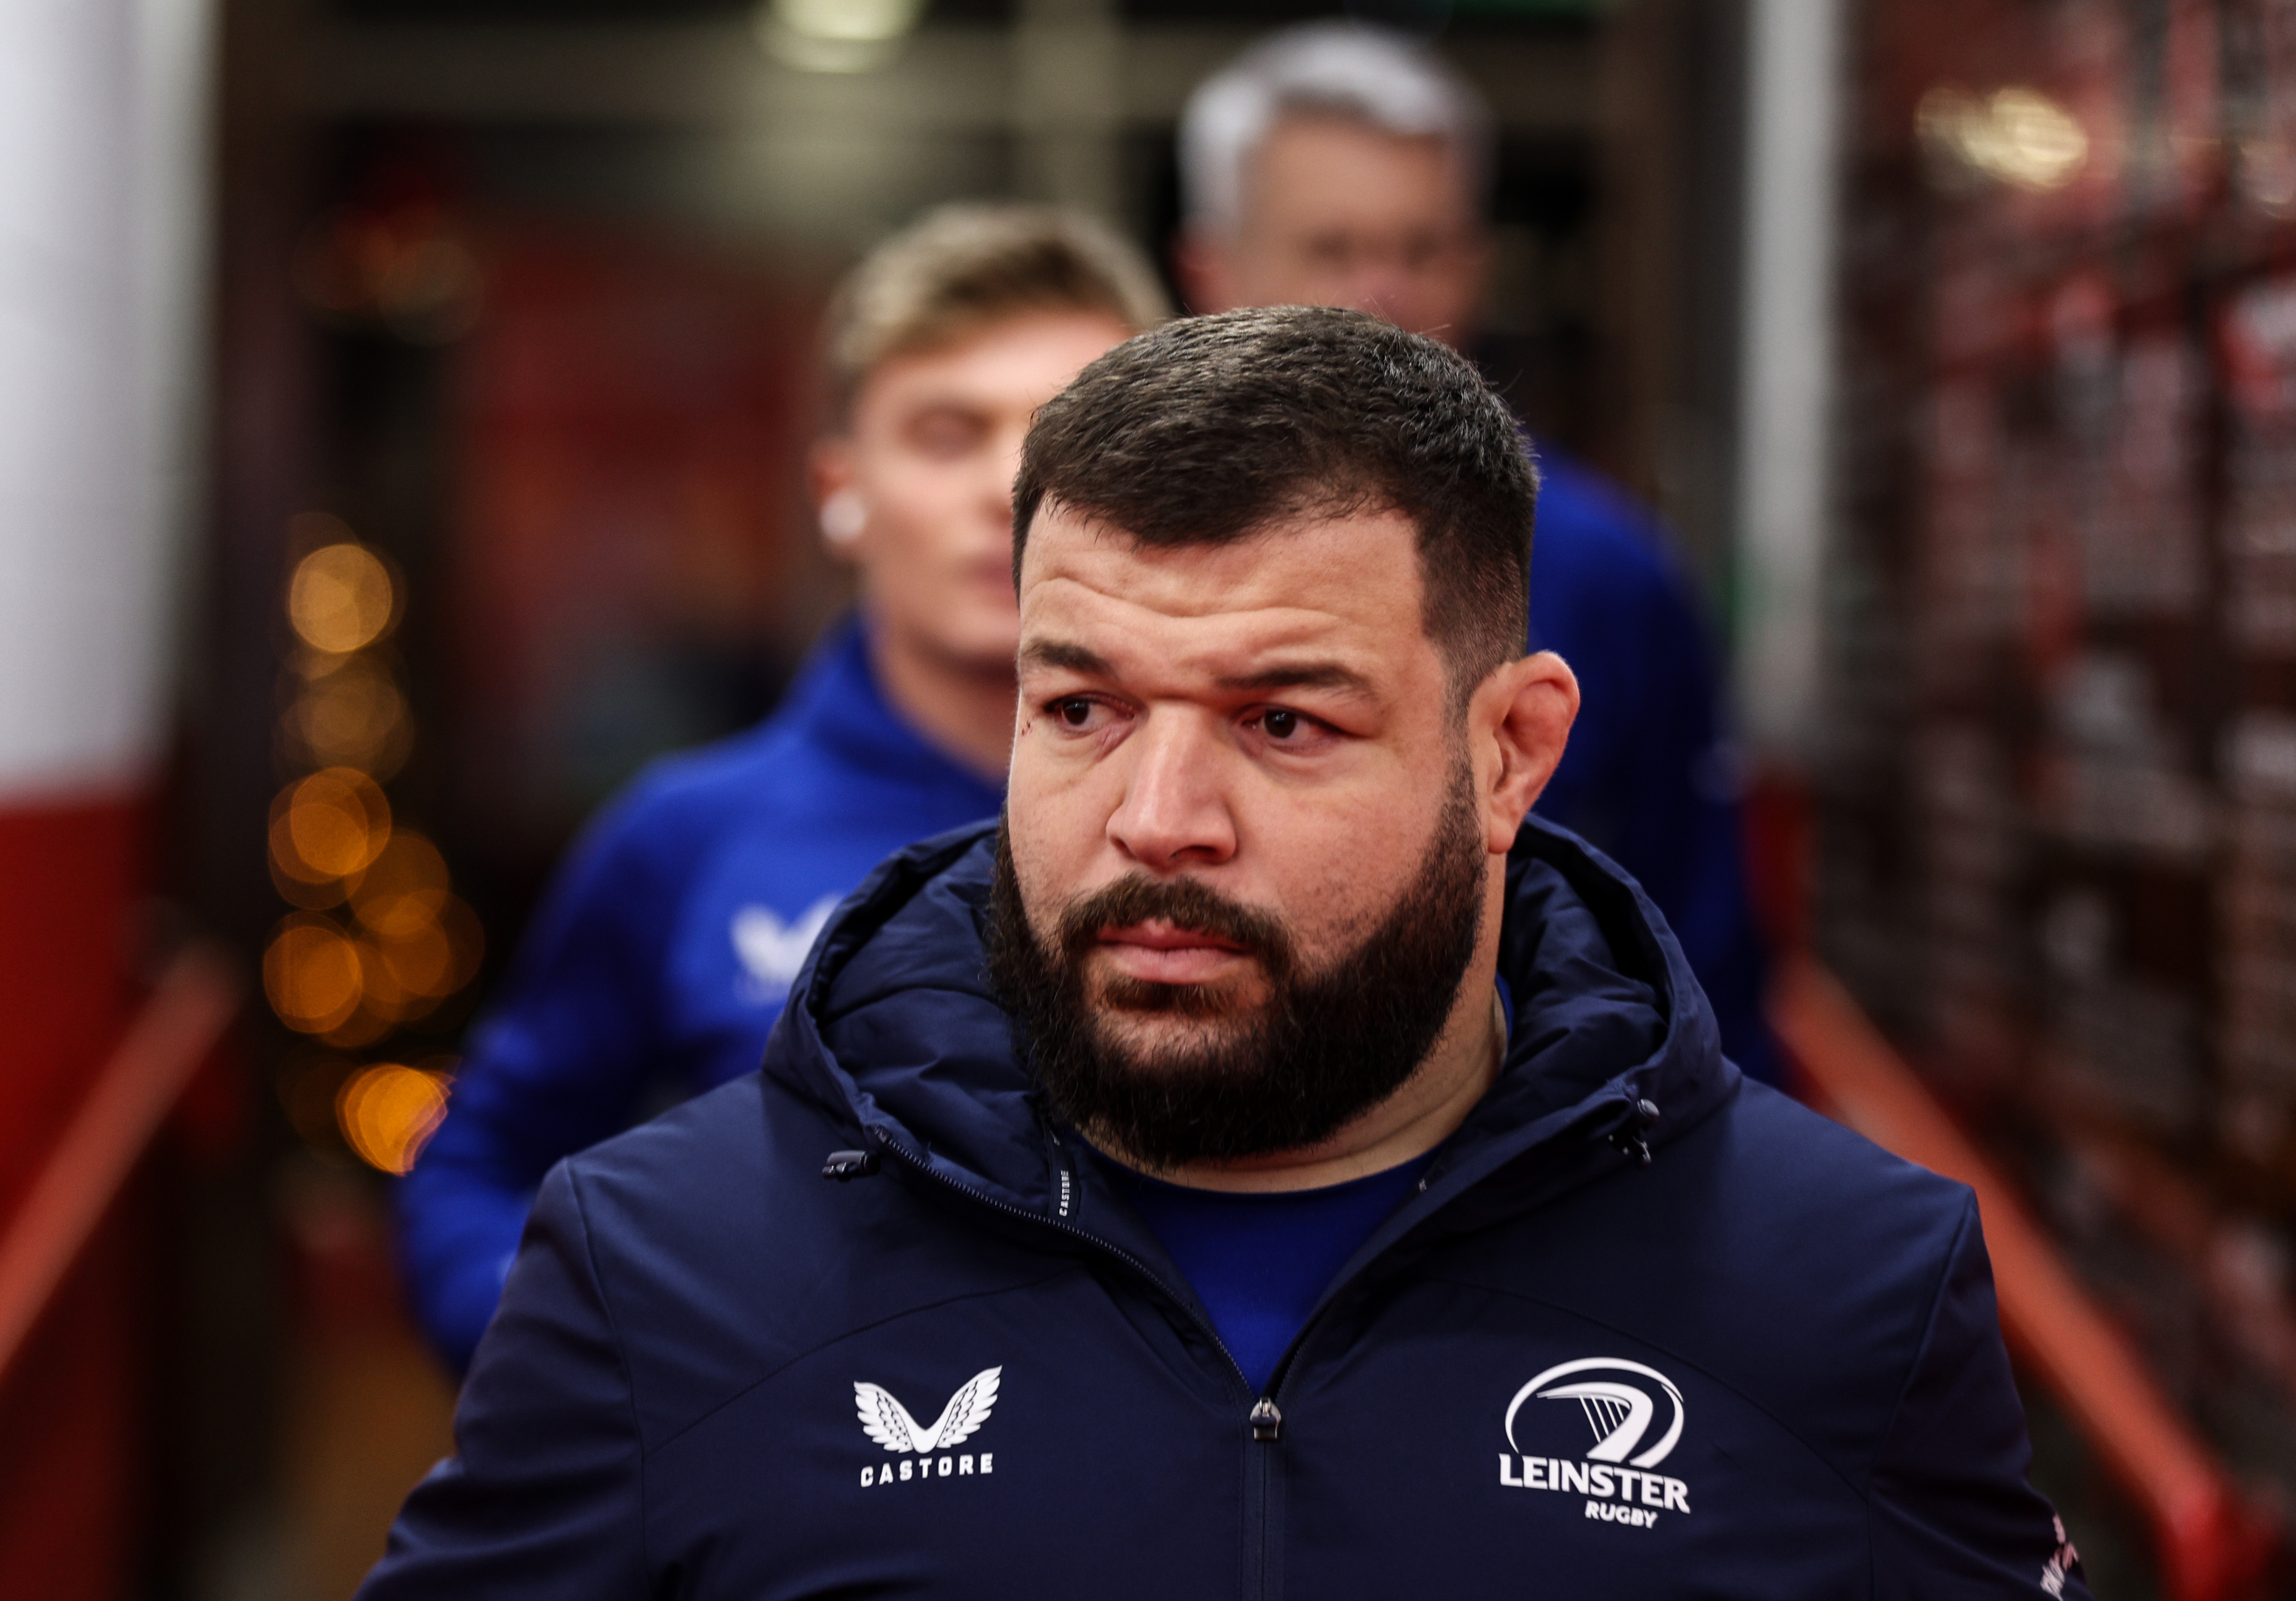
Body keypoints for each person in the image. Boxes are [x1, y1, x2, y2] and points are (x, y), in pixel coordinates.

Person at [361, 309, 2086, 1599]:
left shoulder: (1847, 1289)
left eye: (1282, 721)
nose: (1158, 818)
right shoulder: (660, 1272)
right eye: (1083, 709)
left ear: (1511, 754)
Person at [394, 206, 1169, 1376]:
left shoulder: (1226, 820)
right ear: (839, 489)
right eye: (945, 433)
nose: (1010, 485)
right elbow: (475, 1161)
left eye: (1066, 434)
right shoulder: (688, 837)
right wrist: (573, 1361)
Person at [1176, 22, 1775, 1081]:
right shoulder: (1123, 557)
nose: (1384, 294)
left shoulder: (1606, 576)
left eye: (1422, 251)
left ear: (1478, 268)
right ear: (1210, 267)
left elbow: (1703, 970)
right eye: (1332, 250)